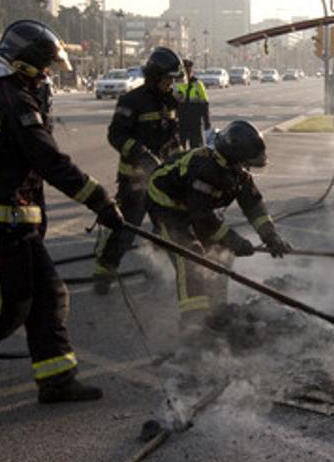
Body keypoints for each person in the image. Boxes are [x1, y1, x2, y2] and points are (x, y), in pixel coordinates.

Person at [0, 20, 124, 403]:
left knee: (50, 296)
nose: (47, 76)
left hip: (13, 221)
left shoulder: (12, 93)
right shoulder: (14, 101)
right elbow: (47, 160)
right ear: (26, 63)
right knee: (9, 306)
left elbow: (29, 171)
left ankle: (56, 379)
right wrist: (100, 200)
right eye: (44, 67)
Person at [145, 120, 291, 326]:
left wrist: (271, 236)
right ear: (235, 158)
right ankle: (193, 322)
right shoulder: (205, 170)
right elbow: (202, 217)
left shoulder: (237, 172)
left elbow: (253, 205)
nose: (247, 169)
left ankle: (216, 308)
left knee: (220, 255)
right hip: (167, 207)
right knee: (191, 255)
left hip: (197, 207)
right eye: (246, 163)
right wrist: (233, 240)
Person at [92, 46, 183, 293]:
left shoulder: (172, 101)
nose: (171, 84)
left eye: (173, 80)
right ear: (155, 77)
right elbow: (116, 135)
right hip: (135, 179)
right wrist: (141, 154)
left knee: (169, 229)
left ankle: (163, 270)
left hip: (163, 180)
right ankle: (104, 273)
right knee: (125, 229)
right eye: (168, 79)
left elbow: (174, 138)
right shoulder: (132, 101)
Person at [174, 58, 211, 149]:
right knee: (178, 148)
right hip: (181, 121)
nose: (187, 72)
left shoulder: (198, 84)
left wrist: (207, 122)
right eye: (184, 70)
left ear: (191, 70)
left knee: (196, 149)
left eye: (188, 70)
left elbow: (205, 104)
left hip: (195, 122)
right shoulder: (176, 84)